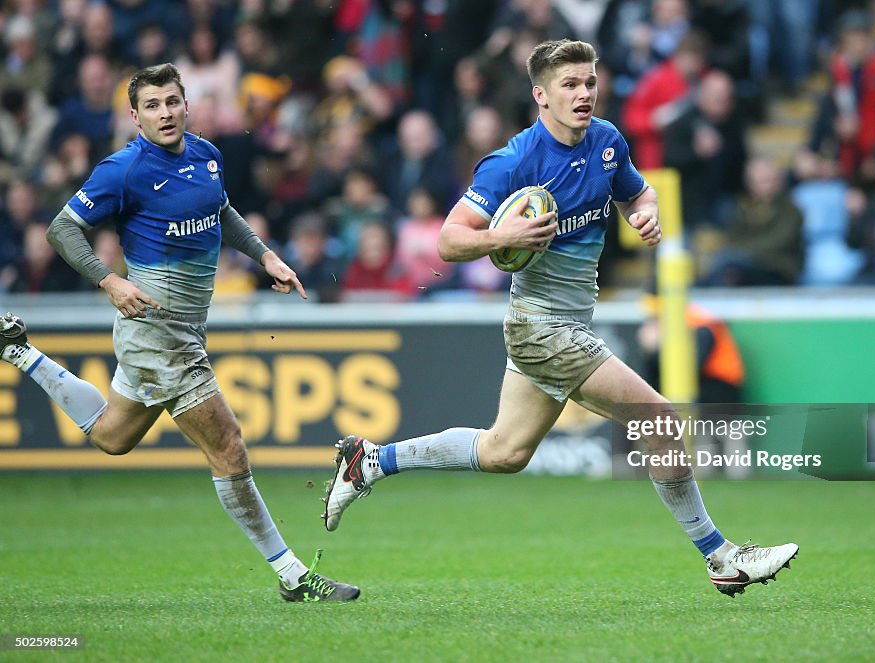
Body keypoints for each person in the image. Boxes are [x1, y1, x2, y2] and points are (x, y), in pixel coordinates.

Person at [323, 39, 798, 598]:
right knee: (660, 420)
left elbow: (640, 196)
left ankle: (372, 460)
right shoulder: (514, 161)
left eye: (590, 83)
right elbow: (451, 240)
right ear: (540, 95)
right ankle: (722, 556)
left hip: (568, 323)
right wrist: (504, 236)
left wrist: (645, 218)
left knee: (505, 452)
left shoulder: (607, 142)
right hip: (538, 325)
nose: (583, 94)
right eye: (570, 85)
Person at [0, 63, 357, 603]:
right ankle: (292, 576)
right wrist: (109, 281)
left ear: (186, 104)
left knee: (112, 437)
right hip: (157, 330)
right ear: (135, 115)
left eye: (172, 101)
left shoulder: (207, 155)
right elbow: (61, 229)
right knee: (229, 446)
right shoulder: (123, 170)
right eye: (152, 105)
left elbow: (222, 212)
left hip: (185, 327)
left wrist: (266, 257)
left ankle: (20, 354)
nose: (164, 113)